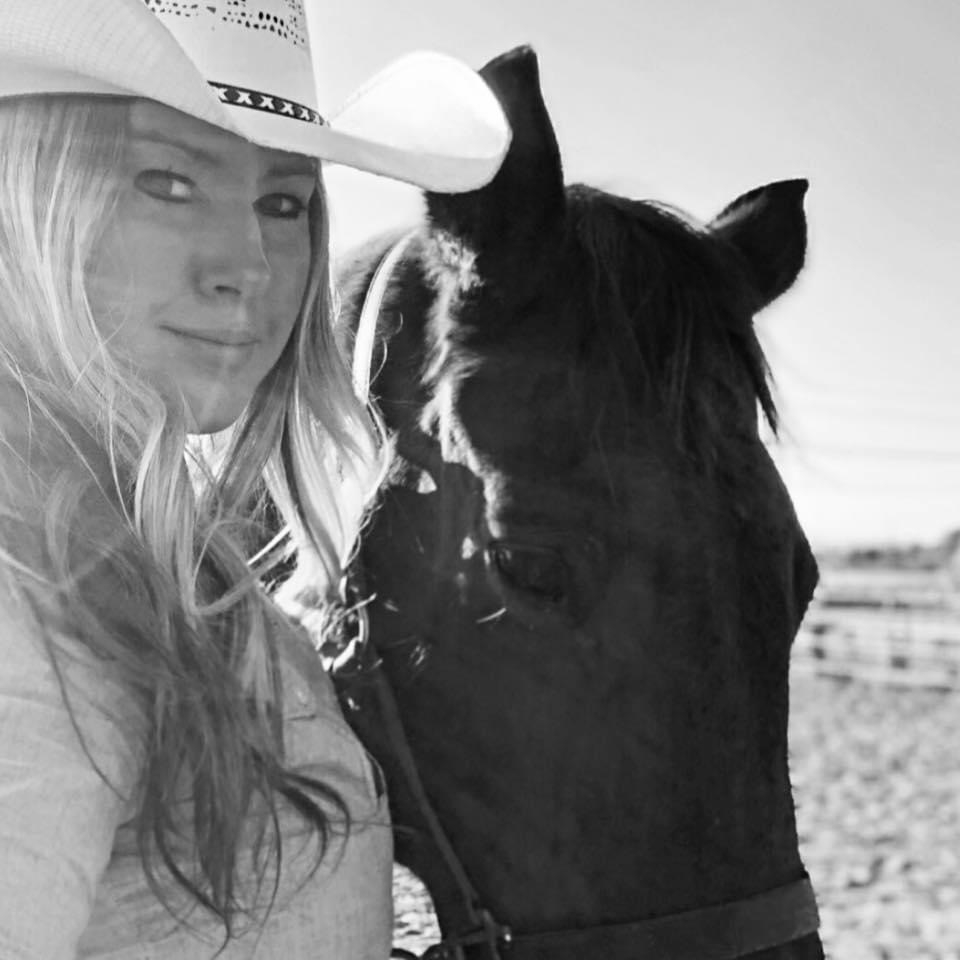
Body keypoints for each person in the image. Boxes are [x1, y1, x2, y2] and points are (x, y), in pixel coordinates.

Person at [0, 1, 510, 957]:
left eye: (283, 203)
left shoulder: (167, 570)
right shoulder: (29, 598)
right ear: (24, 193)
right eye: (166, 182)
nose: (250, 266)